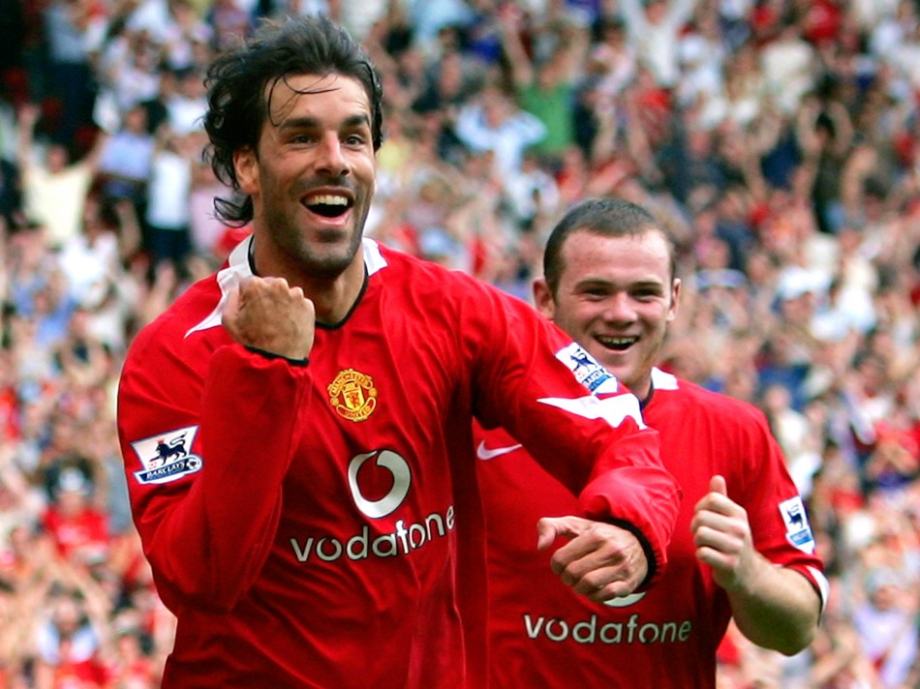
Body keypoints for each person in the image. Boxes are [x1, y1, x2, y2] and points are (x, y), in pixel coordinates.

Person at [115, 17, 681, 689]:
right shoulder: (175, 354)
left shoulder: (452, 310)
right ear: (247, 166)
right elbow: (203, 580)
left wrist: (632, 527)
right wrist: (268, 371)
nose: (335, 159)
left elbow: (617, 427)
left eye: (355, 137)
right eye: (301, 136)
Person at [476, 197, 828, 688]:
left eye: (643, 293)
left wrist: (746, 571)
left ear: (674, 300)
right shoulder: (478, 425)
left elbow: (798, 628)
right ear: (545, 298)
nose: (621, 314)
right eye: (596, 292)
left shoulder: (734, 430)